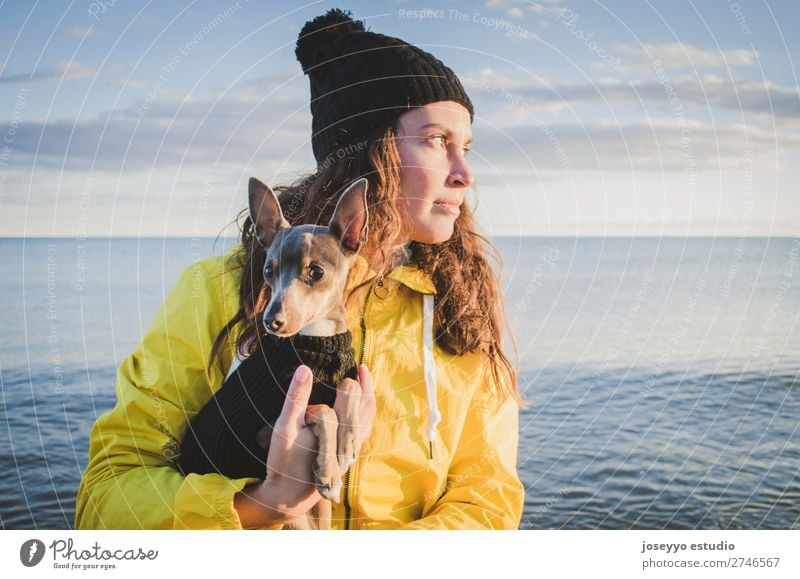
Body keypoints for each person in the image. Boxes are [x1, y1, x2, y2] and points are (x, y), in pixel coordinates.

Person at [76, 8, 524, 530]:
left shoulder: (458, 308)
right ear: (369, 151)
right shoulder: (219, 290)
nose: (465, 173)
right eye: (436, 140)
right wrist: (260, 505)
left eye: (466, 147)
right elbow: (107, 499)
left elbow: (488, 500)